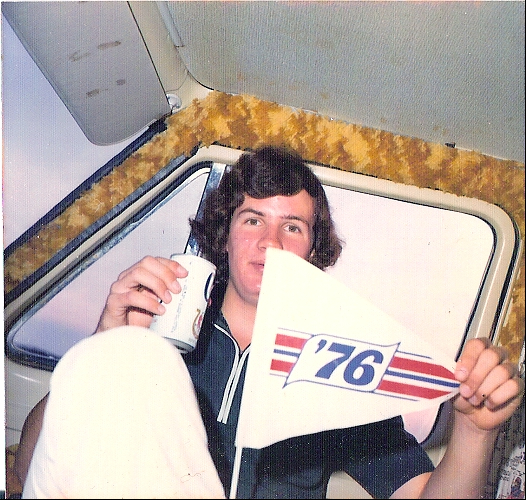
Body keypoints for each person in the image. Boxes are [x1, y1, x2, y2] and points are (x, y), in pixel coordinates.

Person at [15, 145, 524, 499]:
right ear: (225, 236)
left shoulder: (335, 370)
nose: (270, 242)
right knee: (134, 359)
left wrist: (473, 431)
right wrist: (107, 342)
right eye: (253, 219)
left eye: (293, 227)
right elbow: (30, 467)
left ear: (312, 253)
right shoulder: (158, 332)